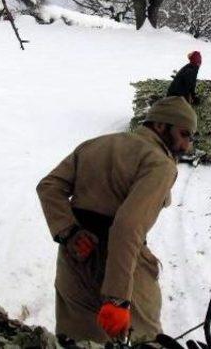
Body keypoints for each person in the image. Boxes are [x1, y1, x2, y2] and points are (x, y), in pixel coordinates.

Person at [36, 96, 197, 345]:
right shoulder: (159, 164)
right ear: (161, 126)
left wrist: (69, 232)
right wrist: (118, 299)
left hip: (76, 258)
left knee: (77, 341)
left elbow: (49, 187)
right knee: (149, 341)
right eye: (184, 134)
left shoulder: (95, 144)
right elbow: (127, 226)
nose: (187, 145)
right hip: (125, 267)